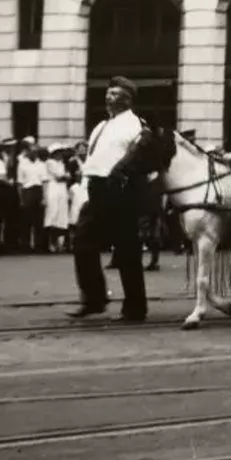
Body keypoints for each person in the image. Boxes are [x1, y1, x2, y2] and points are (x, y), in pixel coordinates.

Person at [68, 76, 148, 321]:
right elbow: (92, 160)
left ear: (127, 99)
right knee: (82, 242)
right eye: (108, 94)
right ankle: (94, 300)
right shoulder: (101, 126)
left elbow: (139, 162)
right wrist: (85, 190)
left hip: (120, 193)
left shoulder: (136, 125)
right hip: (96, 190)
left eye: (114, 94)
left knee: (126, 250)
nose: (108, 98)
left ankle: (135, 308)